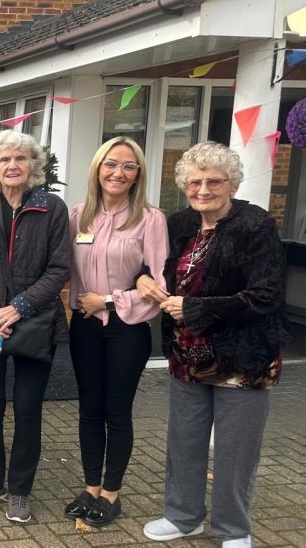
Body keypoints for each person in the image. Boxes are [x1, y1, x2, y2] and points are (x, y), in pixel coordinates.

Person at [135, 142, 287, 547]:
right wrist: (142, 280)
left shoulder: (255, 224)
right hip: (187, 356)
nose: (203, 189)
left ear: (231, 183)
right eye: (195, 182)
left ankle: (234, 529)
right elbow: (149, 264)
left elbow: (266, 295)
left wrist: (198, 307)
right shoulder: (179, 223)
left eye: (214, 181)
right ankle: (183, 516)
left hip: (243, 356)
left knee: (236, 452)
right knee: (184, 441)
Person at [0, 130, 70, 523]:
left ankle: (20, 489)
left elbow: (59, 269)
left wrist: (17, 307)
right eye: (4, 160)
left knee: (27, 409)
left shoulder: (52, 208)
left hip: (35, 322)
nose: (12, 166)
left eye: (20, 159)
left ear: (33, 166)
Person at [63, 137, 167, 527]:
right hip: (85, 328)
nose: (118, 172)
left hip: (127, 328)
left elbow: (159, 283)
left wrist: (106, 300)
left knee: (116, 411)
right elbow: (65, 269)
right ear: (97, 168)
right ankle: (91, 487)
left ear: (137, 173)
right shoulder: (79, 216)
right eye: (111, 164)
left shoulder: (150, 219)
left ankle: (112, 493)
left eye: (128, 166)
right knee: (89, 409)